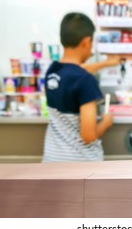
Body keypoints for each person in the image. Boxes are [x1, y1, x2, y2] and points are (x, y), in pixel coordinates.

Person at [42, 12, 120, 162]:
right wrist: (106, 122)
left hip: (52, 159)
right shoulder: (86, 81)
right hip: (79, 166)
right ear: (86, 41)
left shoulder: (53, 71)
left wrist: (106, 63)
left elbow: (75, 71)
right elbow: (88, 136)